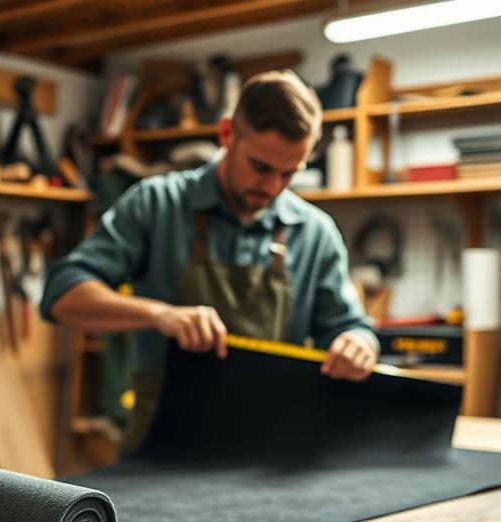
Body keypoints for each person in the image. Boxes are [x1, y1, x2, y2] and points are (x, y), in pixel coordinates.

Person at [41, 70, 379, 451]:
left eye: (289, 174)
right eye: (261, 167)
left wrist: (357, 342)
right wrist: (160, 315)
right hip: (162, 447)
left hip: (268, 449)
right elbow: (61, 294)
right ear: (226, 135)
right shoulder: (157, 204)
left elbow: (349, 326)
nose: (271, 187)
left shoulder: (315, 232)